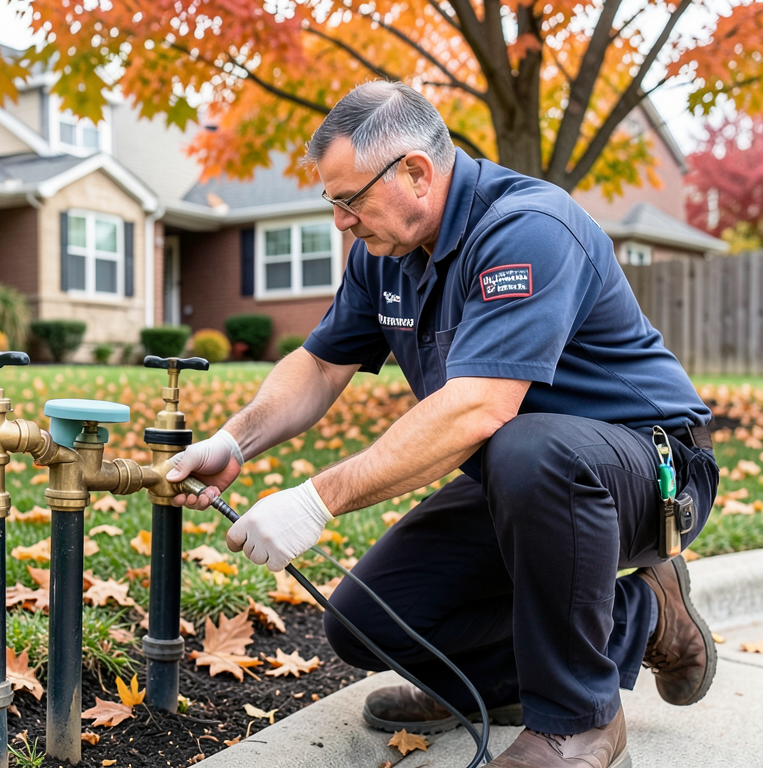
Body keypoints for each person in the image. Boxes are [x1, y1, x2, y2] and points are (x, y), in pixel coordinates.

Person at [166, 80, 718, 768]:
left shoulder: (528, 228)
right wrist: (232, 441)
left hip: (651, 474)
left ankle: (579, 719)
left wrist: (316, 501)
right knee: (367, 620)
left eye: (348, 199)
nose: (341, 220)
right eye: (330, 202)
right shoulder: (383, 254)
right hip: (521, 477)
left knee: (528, 447)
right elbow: (320, 365)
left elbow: (481, 408)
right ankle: (637, 619)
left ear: (416, 174)